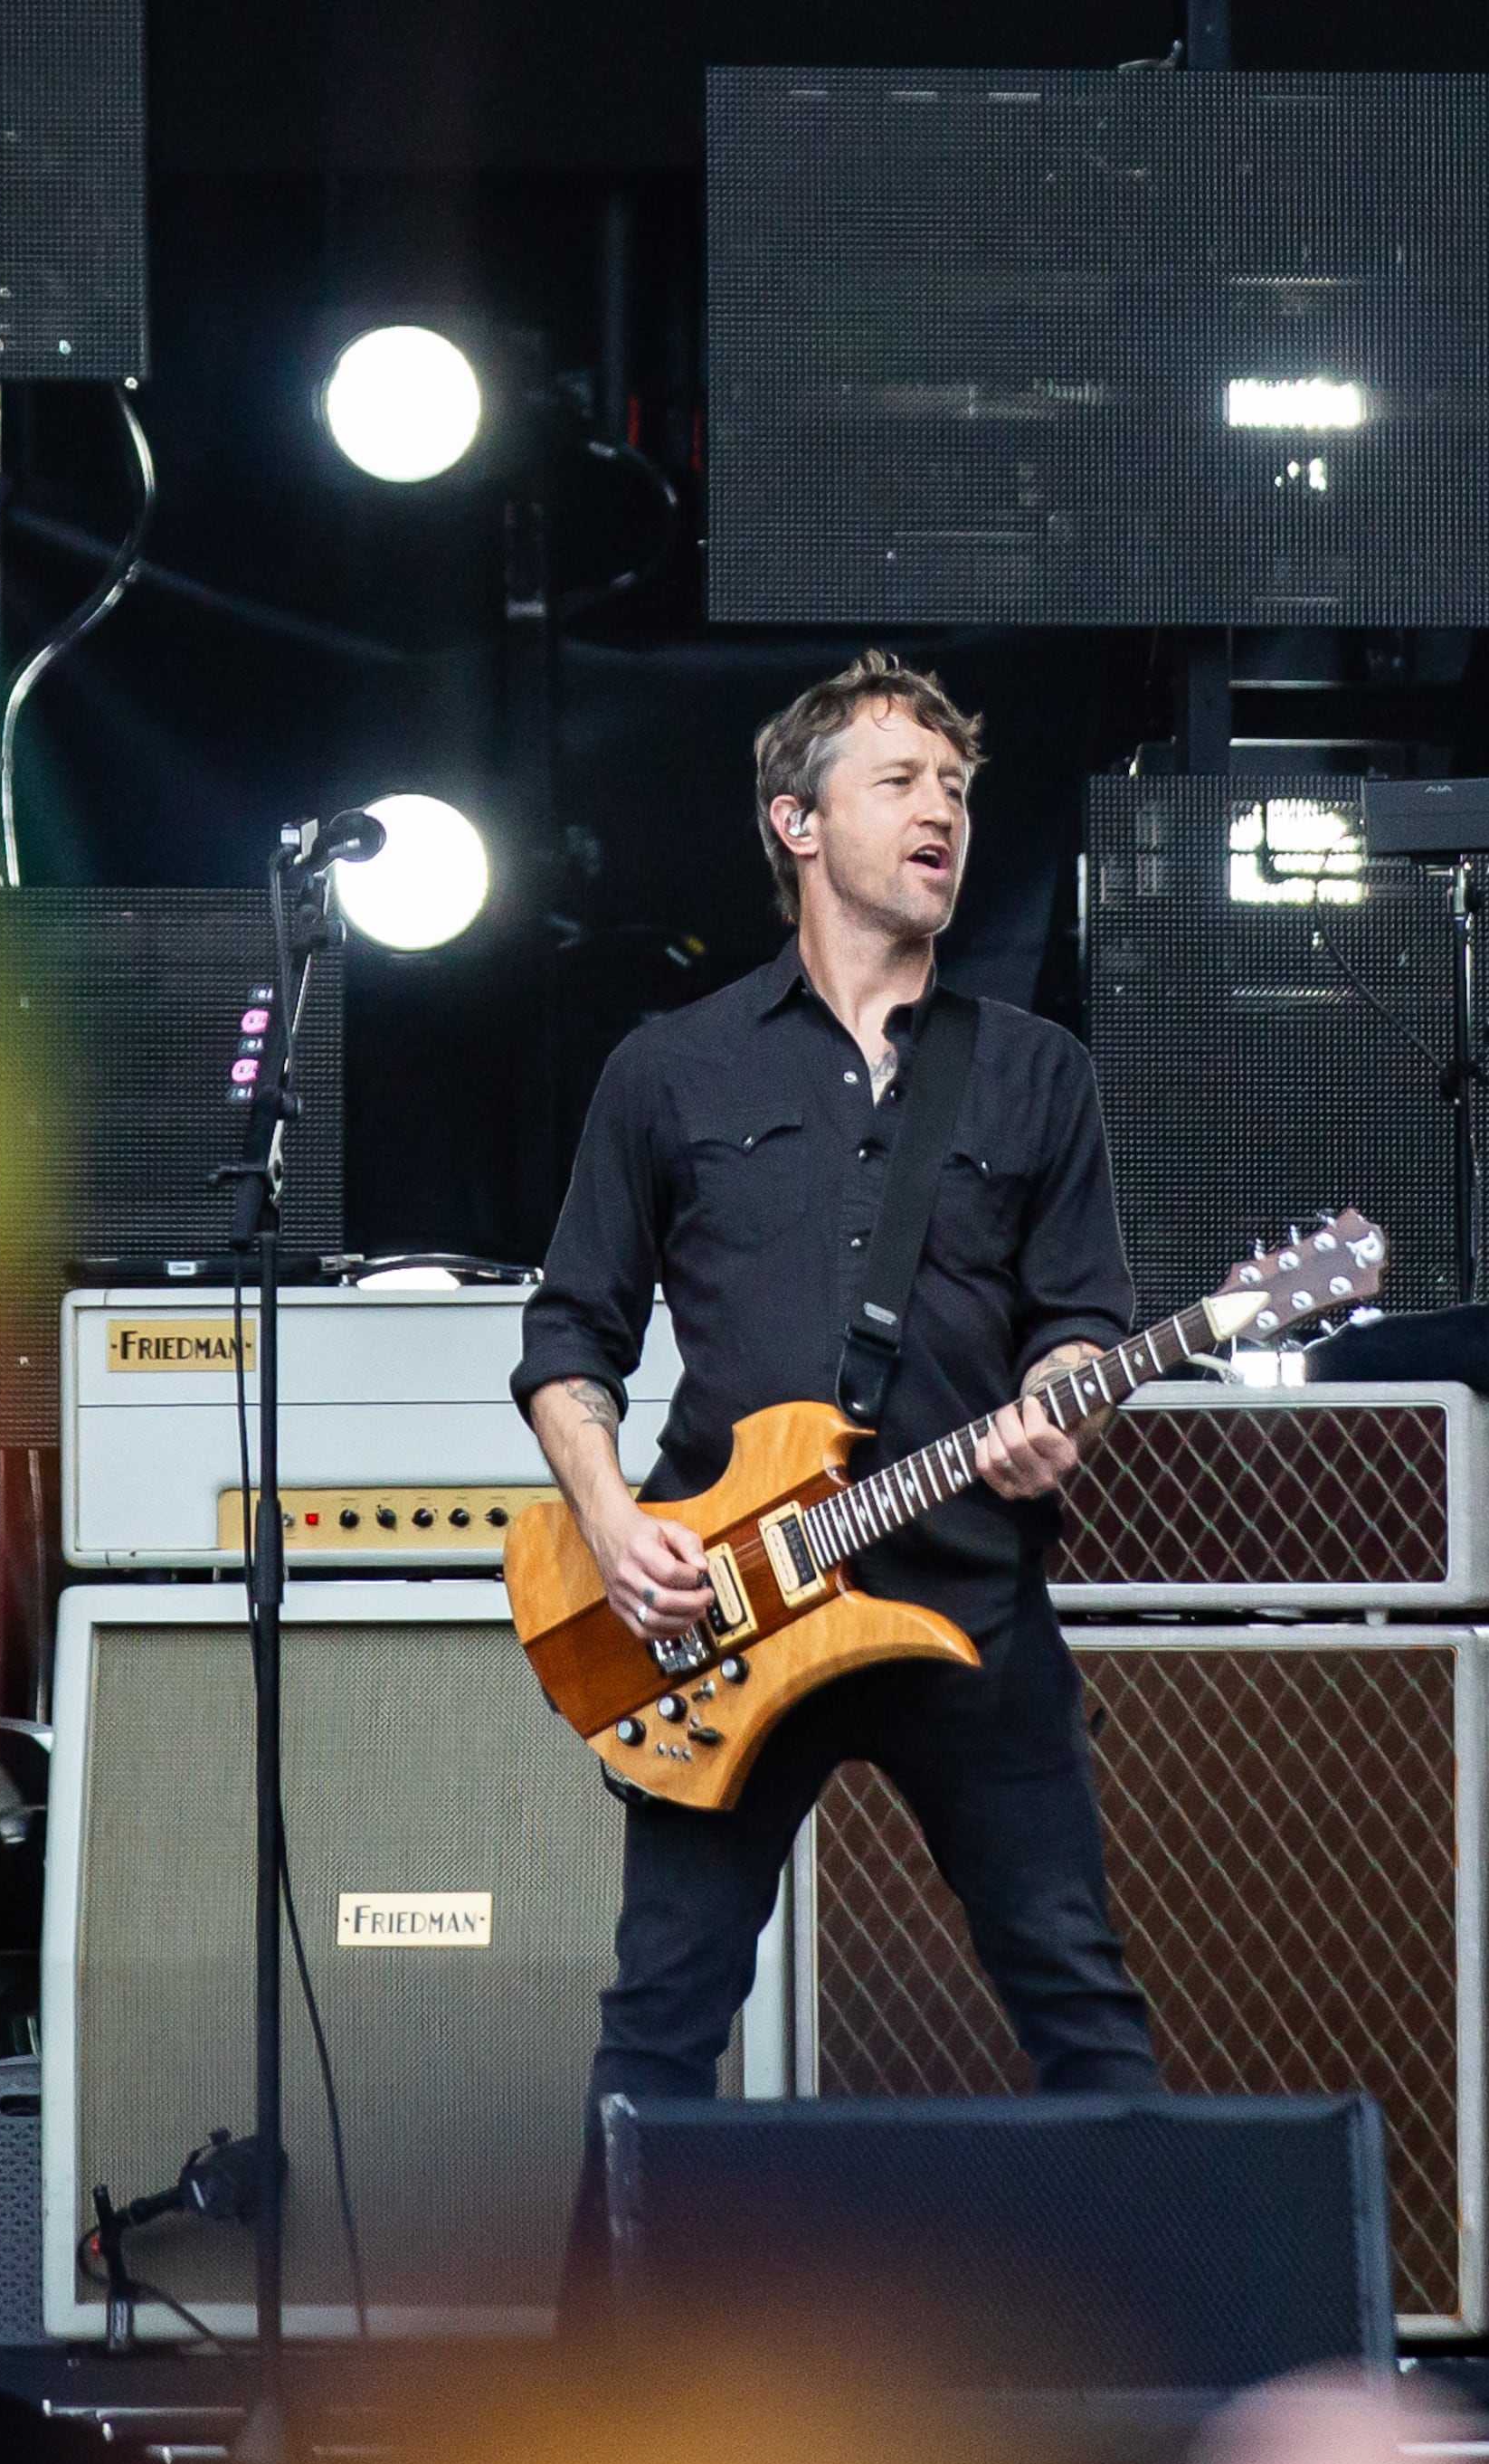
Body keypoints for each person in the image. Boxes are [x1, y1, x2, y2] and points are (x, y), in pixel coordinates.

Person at [512, 650, 1161, 2268]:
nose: (942, 810)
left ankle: (1177, 2380)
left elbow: (1082, 1323)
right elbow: (567, 1335)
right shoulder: (671, 1069)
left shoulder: (1034, 1072)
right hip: (721, 1610)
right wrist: (609, 1524)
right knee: (661, 2016)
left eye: (957, 788)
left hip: (966, 1609)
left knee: (1076, 1992)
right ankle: (595, 2411)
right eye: (900, 782)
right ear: (796, 821)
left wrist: (1065, 1402)